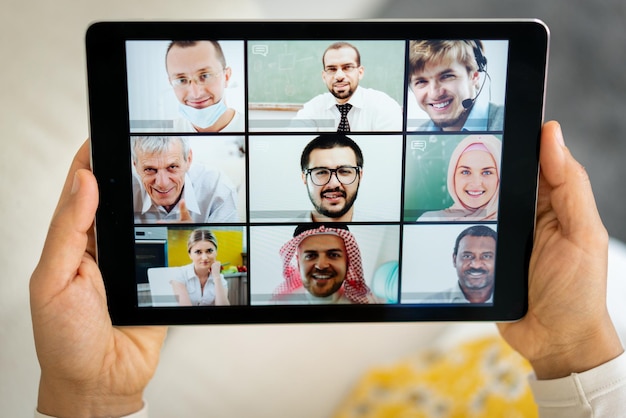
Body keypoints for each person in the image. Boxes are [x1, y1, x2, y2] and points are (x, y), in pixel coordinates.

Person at [29, 122, 626, 417]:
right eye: (321, 174)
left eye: (332, 255)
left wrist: (573, 345)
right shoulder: (260, 273)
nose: (320, 264)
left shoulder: (390, 278)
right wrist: (91, 391)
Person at [291, 42, 402, 132]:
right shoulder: (313, 108)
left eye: (347, 67)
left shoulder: (383, 105)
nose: (339, 76)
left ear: (360, 72)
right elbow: (295, 143)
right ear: (324, 76)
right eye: (332, 69)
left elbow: (389, 151)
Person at [131, 136, 239, 223]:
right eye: (150, 169)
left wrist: (192, 237)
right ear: (135, 166)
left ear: (188, 160)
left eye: (172, 167)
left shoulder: (218, 188)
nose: (162, 183)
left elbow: (228, 249)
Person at [408, 40, 504, 132]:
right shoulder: (418, 135)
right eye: (421, 82)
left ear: (474, 76)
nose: (434, 94)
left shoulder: (506, 120)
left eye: (447, 76)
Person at [272, 223, 378, 304]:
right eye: (311, 256)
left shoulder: (368, 305)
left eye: (333, 255)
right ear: (299, 263)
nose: (321, 265)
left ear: (348, 262)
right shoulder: (280, 303)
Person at [165, 40, 244, 133]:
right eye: (181, 80)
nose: (196, 94)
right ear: (171, 83)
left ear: (226, 77)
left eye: (205, 76)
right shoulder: (164, 133)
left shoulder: (252, 128)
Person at [418, 134, 501, 221]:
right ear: (453, 177)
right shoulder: (431, 219)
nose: (475, 183)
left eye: (487, 172)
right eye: (465, 172)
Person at [298, 134, 364, 222]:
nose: (333, 184)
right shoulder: (281, 234)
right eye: (321, 172)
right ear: (304, 178)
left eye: (344, 171)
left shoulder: (385, 232)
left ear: (359, 176)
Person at [423, 225, 497, 304]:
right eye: (467, 256)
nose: (476, 265)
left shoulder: (511, 304)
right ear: (454, 260)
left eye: (486, 256)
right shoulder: (431, 303)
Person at [168, 229, 230, 306]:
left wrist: (217, 278)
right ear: (190, 254)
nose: (204, 257)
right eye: (198, 252)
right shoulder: (180, 275)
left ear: (216, 252)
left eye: (209, 251)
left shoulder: (220, 279)